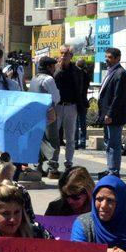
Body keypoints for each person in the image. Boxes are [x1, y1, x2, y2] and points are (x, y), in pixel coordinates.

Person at [49, 45, 84, 178]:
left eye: (66, 53)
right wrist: (59, 68)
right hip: (57, 106)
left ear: (71, 56)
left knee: (70, 137)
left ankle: (68, 163)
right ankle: (53, 164)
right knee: (54, 136)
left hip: (71, 107)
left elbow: (81, 88)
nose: (63, 56)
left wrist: (80, 104)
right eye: (61, 53)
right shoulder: (55, 70)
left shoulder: (77, 71)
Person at [97, 47, 126, 178]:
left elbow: (119, 97)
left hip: (114, 116)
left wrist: (110, 114)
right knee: (109, 143)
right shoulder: (111, 71)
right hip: (107, 115)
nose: (107, 59)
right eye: (106, 57)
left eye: (110, 57)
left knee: (114, 144)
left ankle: (114, 171)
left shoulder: (120, 73)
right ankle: (110, 168)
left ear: (118, 58)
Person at [28, 56, 60, 176]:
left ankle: (38, 167)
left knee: (38, 141)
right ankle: (53, 168)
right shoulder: (48, 79)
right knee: (53, 141)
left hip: (35, 116)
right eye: (53, 66)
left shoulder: (34, 78)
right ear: (48, 67)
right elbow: (56, 98)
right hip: (48, 114)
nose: (54, 69)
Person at [75, 58, 91, 150]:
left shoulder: (77, 75)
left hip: (77, 102)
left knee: (76, 124)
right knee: (83, 123)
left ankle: (76, 142)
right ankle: (83, 142)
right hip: (84, 101)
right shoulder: (86, 75)